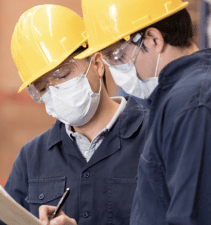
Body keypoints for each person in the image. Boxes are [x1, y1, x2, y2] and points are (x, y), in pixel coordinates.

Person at [0, 5, 148, 225]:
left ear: (97, 63)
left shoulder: (154, 137)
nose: (54, 90)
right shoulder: (32, 158)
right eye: (43, 88)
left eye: (62, 75)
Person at [75, 0, 211, 224]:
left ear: (155, 39)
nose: (116, 69)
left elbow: (191, 216)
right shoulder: (175, 97)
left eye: (116, 56)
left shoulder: (192, 103)